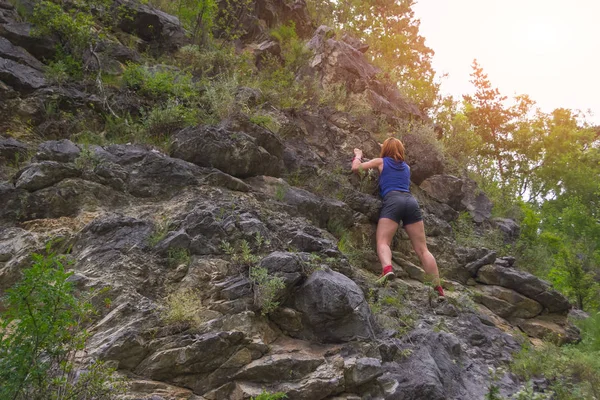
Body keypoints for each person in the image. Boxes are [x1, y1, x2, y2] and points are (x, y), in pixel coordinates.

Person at [351, 137, 445, 298]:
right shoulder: (406, 167)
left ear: (385, 150)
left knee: (383, 241)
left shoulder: (381, 161)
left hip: (393, 200)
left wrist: (358, 155)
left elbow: (356, 168)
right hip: (411, 202)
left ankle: (387, 269)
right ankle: (439, 289)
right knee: (423, 249)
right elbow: (394, 156)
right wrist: (388, 146)